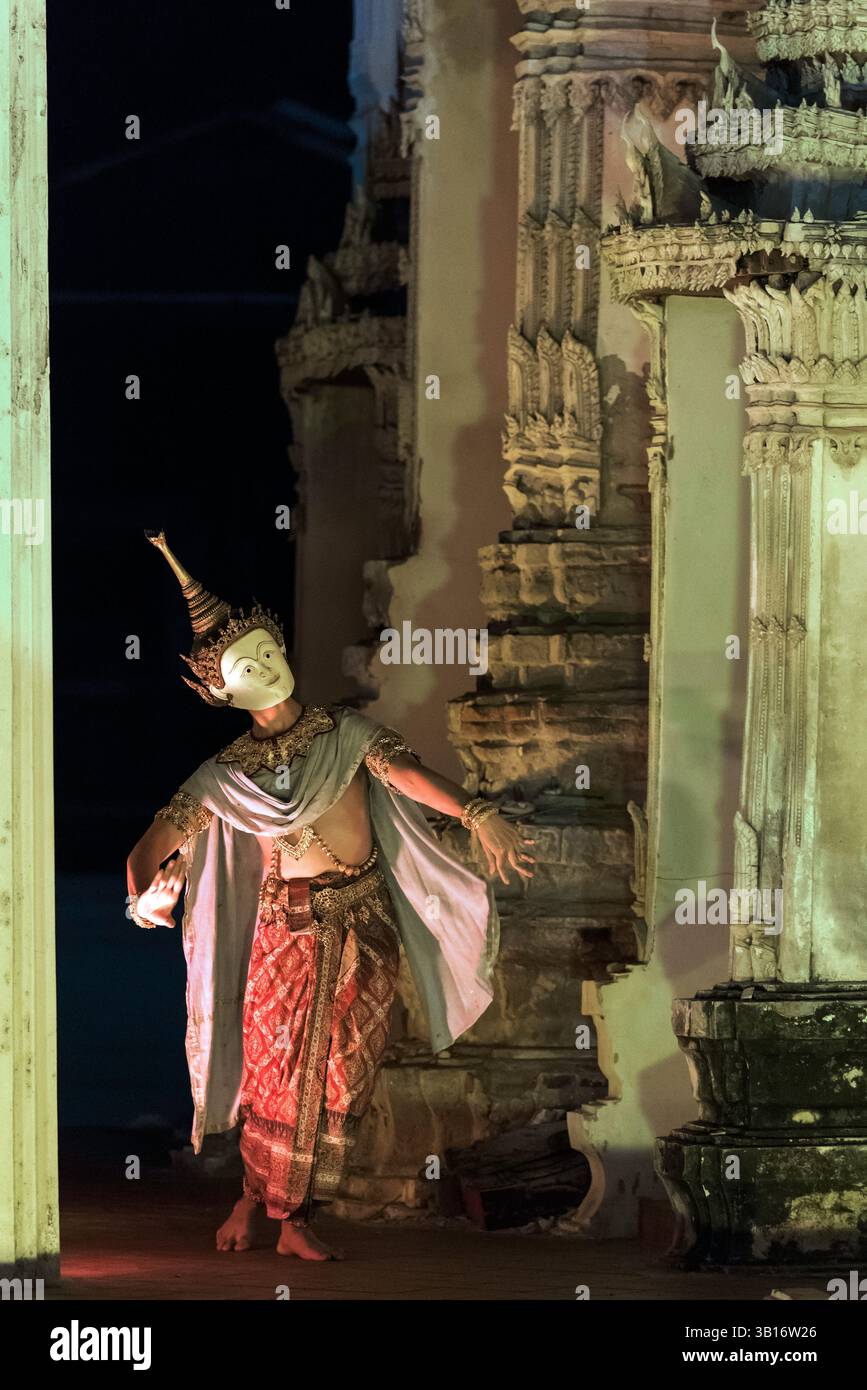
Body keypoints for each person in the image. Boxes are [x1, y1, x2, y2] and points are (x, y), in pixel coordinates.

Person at [126, 533, 534, 1260]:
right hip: (284, 930)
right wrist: (145, 893)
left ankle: (272, 1205)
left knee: (343, 1077)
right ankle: (279, 1214)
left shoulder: (347, 734)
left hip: (362, 920)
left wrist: (476, 812)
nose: (262, 667)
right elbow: (149, 848)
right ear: (219, 690)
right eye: (242, 666)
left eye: (265, 650)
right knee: (278, 1075)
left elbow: (407, 777)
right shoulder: (223, 777)